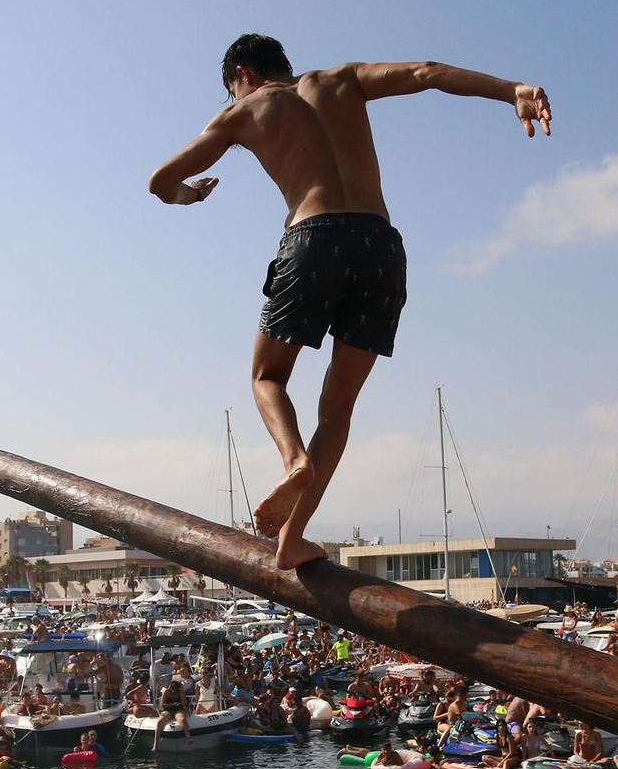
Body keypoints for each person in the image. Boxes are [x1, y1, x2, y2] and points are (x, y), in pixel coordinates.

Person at [149, 35, 552, 569]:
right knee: (337, 408)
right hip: (381, 245)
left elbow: (160, 182)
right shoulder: (341, 80)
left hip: (313, 237)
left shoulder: (240, 112)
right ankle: (291, 540)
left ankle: (294, 462)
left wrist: (191, 194)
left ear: (242, 73)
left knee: (267, 377)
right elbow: (426, 71)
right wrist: (512, 91)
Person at [152, 679, 191, 750]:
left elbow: (184, 703)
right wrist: (173, 704)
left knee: (182, 719)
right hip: (168, 709)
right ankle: (156, 744)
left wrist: (179, 703)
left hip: (178, 709)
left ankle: (188, 737)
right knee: (160, 721)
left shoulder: (180, 692)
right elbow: (163, 704)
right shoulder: (167, 692)